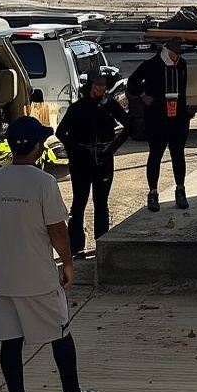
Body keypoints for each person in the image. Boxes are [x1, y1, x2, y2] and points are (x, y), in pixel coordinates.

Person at [0, 116, 99, 392]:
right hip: (38, 278)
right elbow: (58, 230)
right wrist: (68, 263)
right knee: (60, 334)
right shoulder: (44, 183)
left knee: (10, 341)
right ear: (35, 147)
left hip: (2, 279)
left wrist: (0, 259)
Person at [56, 69, 129, 258]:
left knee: (101, 203)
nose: (101, 89)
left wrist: (111, 148)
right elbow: (61, 132)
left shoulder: (110, 105)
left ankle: (102, 244)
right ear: (90, 85)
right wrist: (75, 150)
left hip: (103, 160)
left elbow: (130, 126)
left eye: (104, 85)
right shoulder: (78, 107)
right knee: (79, 203)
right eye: (97, 85)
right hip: (81, 162)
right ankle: (76, 247)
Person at [127, 37, 190, 212]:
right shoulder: (151, 65)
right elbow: (132, 83)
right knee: (155, 154)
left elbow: (183, 89)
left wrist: (184, 114)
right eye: (174, 54)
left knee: (178, 155)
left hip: (177, 117)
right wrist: (143, 95)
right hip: (157, 117)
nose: (176, 58)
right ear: (166, 50)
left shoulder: (182, 64)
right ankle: (153, 193)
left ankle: (180, 189)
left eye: (178, 55)